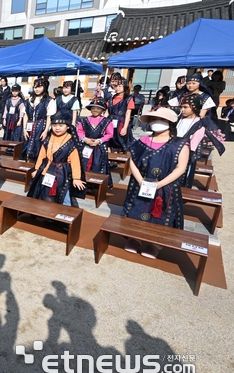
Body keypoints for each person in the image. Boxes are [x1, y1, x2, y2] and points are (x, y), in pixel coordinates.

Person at [122, 108, 189, 259]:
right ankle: (134, 238)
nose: (156, 123)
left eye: (161, 120)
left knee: (161, 215)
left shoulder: (180, 144)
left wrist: (159, 184)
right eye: (153, 120)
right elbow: (132, 161)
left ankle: (155, 244)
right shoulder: (142, 141)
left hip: (165, 187)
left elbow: (181, 168)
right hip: (141, 185)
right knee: (136, 210)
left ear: (170, 123)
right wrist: (141, 181)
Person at [28, 114, 86, 206]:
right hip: (47, 171)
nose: (57, 128)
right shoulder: (48, 138)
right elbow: (41, 155)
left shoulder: (71, 142)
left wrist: (76, 178)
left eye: (60, 125)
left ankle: (64, 217)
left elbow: (75, 161)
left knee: (63, 197)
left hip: (63, 173)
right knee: (44, 194)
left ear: (67, 127)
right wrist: (36, 169)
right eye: (54, 125)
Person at [176, 94, 225, 188]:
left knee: (183, 178)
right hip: (174, 151)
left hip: (187, 154)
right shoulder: (180, 119)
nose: (182, 110)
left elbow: (193, 144)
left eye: (185, 107)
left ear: (195, 107)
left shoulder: (199, 124)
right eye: (181, 107)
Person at [76, 98, 114, 189]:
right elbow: (79, 131)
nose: (95, 110)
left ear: (102, 110)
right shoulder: (84, 120)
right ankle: (83, 181)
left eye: (98, 108)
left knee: (98, 164)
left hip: (99, 147)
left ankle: (95, 185)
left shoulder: (106, 121)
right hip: (86, 145)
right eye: (93, 108)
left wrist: (99, 141)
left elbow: (110, 134)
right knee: (84, 163)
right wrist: (85, 139)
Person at [25, 77, 56, 162]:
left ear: (44, 87)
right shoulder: (29, 100)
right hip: (30, 126)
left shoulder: (49, 100)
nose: (37, 89)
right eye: (35, 87)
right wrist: (24, 129)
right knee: (28, 147)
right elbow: (26, 115)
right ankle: (28, 168)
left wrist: (46, 131)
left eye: (39, 87)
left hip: (41, 126)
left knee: (39, 147)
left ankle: (38, 169)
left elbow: (50, 117)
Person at [107, 77, 134, 153]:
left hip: (121, 122)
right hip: (110, 121)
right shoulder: (111, 98)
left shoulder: (128, 99)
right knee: (110, 140)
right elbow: (107, 112)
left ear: (124, 87)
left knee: (121, 141)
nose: (117, 88)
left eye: (120, 86)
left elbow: (128, 114)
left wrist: (125, 127)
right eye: (116, 86)